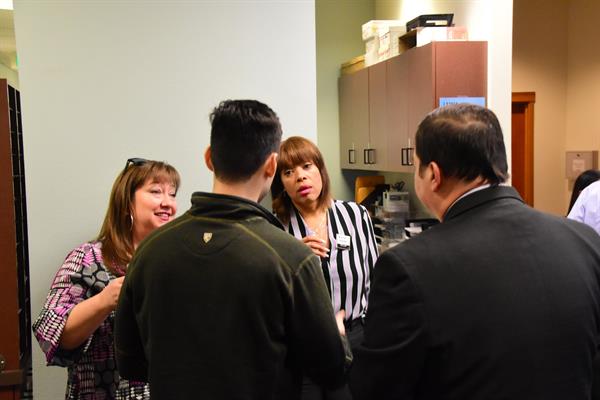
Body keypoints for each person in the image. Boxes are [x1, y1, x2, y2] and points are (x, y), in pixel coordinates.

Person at [351, 104, 600, 400]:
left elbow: (376, 389)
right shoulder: (584, 241)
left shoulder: (407, 267)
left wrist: (344, 341)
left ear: (433, 174)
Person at [114, 100, 350, 400]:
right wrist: (338, 333)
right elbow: (331, 370)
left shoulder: (150, 251)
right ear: (272, 166)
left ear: (209, 158)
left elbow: (130, 363)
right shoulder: (291, 258)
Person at [33, 158, 180, 400]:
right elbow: (50, 333)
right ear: (126, 202)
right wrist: (105, 300)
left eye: (172, 194)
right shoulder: (88, 258)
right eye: (156, 191)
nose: (168, 203)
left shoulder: (177, 260)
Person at [271, 136, 378, 399]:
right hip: (302, 346)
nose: (300, 177)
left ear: (320, 170)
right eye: (288, 172)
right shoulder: (275, 229)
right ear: (281, 183)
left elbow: (376, 279)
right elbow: (269, 298)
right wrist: (294, 257)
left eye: (307, 166)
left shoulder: (356, 215)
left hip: (355, 337)